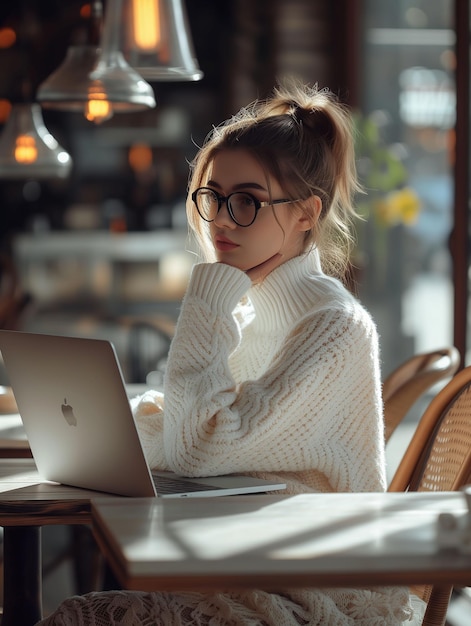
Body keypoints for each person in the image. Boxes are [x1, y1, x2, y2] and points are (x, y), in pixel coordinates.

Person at [37, 80, 424, 625]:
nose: (219, 218)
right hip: (248, 554)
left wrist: (207, 300)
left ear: (307, 214)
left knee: (78, 617)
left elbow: (197, 446)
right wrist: (139, 425)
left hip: (309, 583)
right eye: (212, 196)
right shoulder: (249, 310)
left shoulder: (333, 326)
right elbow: (193, 431)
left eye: (246, 201)